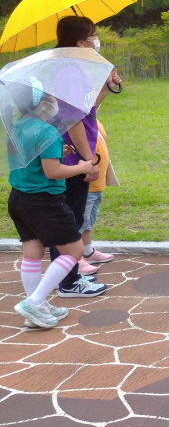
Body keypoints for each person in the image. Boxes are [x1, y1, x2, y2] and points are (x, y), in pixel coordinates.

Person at [8, 84, 97, 328]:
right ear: (42, 105)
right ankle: (34, 302)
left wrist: (59, 149)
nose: (56, 101)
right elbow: (53, 171)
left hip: (19, 199)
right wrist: (82, 166)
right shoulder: (46, 131)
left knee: (32, 253)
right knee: (74, 252)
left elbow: (30, 158)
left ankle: (36, 307)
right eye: (52, 98)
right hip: (45, 201)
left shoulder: (17, 127)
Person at [52, 16, 119, 298]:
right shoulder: (68, 71)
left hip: (77, 154)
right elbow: (72, 120)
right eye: (93, 35)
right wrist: (86, 159)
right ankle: (68, 281)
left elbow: (88, 110)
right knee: (68, 220)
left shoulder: (73, 67)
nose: (96, 40)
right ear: (80, 42)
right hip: (71, 157)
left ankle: (70, 276)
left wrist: (105, 84)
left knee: (73, 217)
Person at [76, 120, 115, 276]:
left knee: (89, 221)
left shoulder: (92, 117)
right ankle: (75, 259)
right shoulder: (76, 119)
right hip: (85, 182)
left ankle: (87, 251)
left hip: (97, 182)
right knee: (78, 222)